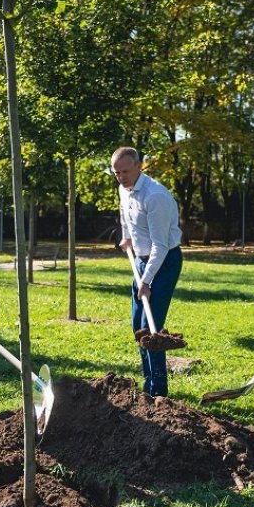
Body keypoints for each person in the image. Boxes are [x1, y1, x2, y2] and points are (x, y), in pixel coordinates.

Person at [112, 146, 183, 397]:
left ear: (139, 166)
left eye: (126, 171)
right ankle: (147, 387)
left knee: (151, 330)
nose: (121, 177)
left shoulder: (155, 197)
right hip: (141, 261)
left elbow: (160, 246)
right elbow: (124, 215)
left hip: (164, 263)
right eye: (116, 173)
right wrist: (127, 237)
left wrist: (146, 280)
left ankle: (159, 392)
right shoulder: (124, 189)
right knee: (137, 328)